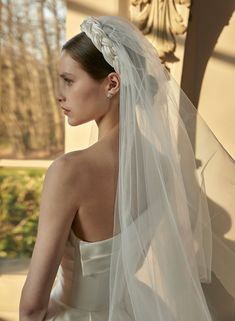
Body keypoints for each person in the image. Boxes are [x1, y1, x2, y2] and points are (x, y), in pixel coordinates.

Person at [19, 15, 234, 321]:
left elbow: (31, 308)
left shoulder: (68, 172)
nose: (59, 93)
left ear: (112, 83)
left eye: (68, 80)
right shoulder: (160, 167)